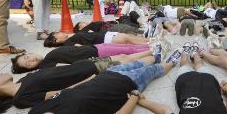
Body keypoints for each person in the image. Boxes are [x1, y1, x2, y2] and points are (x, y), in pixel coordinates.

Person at [0, 56, 178, 114]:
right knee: (153, 71)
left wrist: (93, 77)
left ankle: (158, 57)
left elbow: (67, 91)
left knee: (137, 63)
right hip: (125, 85)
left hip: (107, 76)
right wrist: (135, 96)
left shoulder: (34, 112)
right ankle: (173, 62)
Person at [0, 52, 154, 113]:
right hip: (90, 73)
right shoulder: (20, 98)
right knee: (131, 63)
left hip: (83, 65)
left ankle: (156, 52)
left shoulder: (23, 80)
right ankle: (159, 58)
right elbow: (61, 93)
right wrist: (91, 80)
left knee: (124, 57)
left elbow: (55, 71)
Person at [11, 43, 151, 73]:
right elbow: (68, 68)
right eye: (27, 63)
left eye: (27, 57)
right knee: (126, 51)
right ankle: (151, 49)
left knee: (126, 48)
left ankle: (149, 47)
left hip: (94, 48)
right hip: (96, 54)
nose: (31, 59)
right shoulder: (46, 65)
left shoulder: (47, 58)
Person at [43, 31, 151, 48]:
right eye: (57, 33)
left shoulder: (70, 37)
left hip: (104, 35)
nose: (60, 32)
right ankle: (151, 44)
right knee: (127, 39)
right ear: (56, 40)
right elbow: (81, 48)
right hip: (103, 40)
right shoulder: (68, 43)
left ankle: (151, 40)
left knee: (129, 37)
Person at [74, 20, 141, 35]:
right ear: (79, 28)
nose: (85, 22)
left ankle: (143, 32)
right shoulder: (84, 30)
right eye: (82, 23)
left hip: (109, 26)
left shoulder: (89, 26)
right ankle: (142, 33)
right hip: (107, 29)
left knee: (127, 28)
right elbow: (92, 34)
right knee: (126, 29)